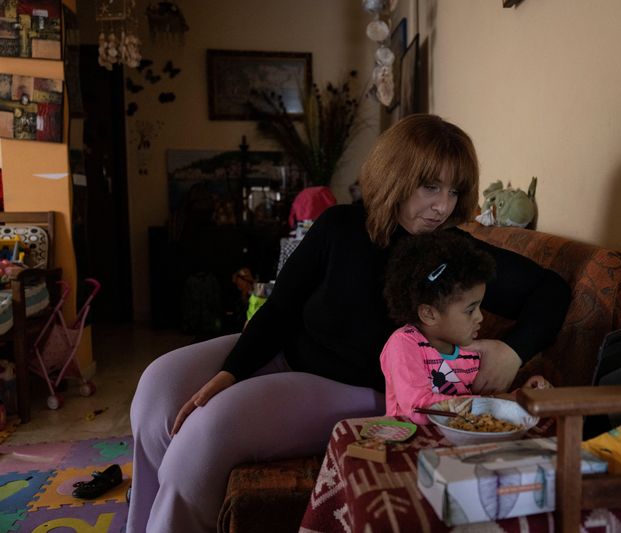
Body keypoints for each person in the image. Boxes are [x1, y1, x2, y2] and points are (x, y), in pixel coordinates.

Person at [127, 114, 571, 532]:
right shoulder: (338, 224)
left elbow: (551, 289)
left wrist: (513, 350)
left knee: (207, 431)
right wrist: (231, 372)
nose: (442, 206)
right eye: (430, 187)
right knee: (157, 388)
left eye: (454, 192)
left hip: (365, 388)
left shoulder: (452, 255)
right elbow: (280, 309)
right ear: (396, 176)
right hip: (292, 354)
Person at [381, 232, 550, 425]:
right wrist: (496, 402)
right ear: (429, 314)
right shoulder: (404, 344)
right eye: (470, 310)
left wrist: (521, 397)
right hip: (407, 443)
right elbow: (418, 408)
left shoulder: (469, 352)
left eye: (480, 307)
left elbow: (477, 403)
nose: (480, 317)